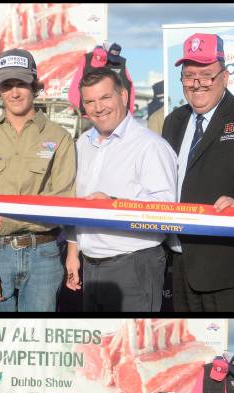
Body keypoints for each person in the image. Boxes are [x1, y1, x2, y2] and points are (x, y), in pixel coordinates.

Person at [162, 33, 234, 312]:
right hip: (179, 262)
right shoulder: (173, 121)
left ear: (225, 76)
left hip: (230, 268)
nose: (197, 84)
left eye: (206, 75)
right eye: (189, 76)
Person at [0, 48, 76, 312]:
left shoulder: (60, 137)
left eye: (21, 84)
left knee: (36, 338)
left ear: (34, 86)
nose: (14, 93)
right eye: (7, 85)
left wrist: (9, 221)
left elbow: (65, 203)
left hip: (44, 257)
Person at [67, 68, 177, 312]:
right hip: (90, 265)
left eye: (105, 98)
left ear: (124, 97)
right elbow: (76, 204)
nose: (98, 107)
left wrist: (114, 203)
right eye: (90, 101)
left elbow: (167, 210)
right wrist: (73, 251)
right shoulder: (82, 144)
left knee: (135, 345)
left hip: (134, 264)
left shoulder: (150, 146)